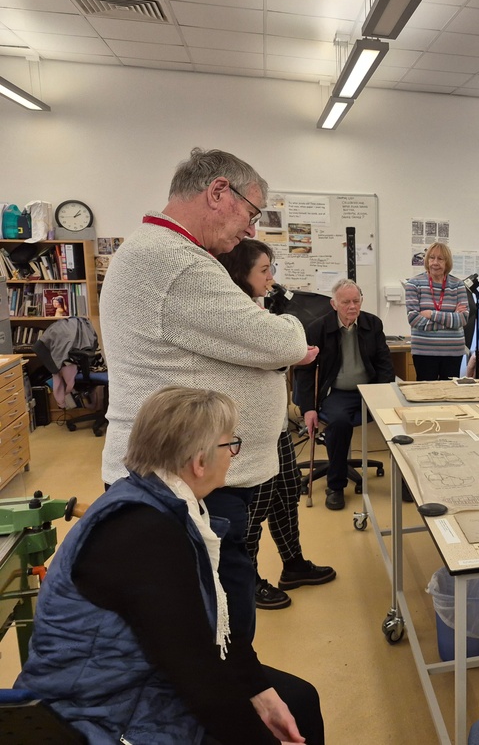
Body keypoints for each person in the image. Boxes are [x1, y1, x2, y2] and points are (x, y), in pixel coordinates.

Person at [16, 387, 323, 745]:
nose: (234, 455)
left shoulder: (161, 501)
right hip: (98, 716)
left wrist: (261, 693)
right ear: (199, 462)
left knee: (296, 698)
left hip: (135, 680)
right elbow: (194, 670)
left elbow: (210, 634)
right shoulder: (146, 533)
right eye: (230, 444)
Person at [100, 147, 317, 643]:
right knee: (214, 638)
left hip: (194, 483)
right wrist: (285, 326)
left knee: (212, 625)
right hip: (185, 488)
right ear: (219, 191)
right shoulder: (175, 262)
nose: (250, 230)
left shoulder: (172, 255)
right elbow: (282, 340)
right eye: (252, 213)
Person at [217, 238, 335, 610]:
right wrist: (289, 353)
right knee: (255, 510)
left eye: (271, 270)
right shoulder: (234, 311)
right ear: (241, 273)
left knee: (287, 495)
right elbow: (271, 351)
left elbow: (276, 354)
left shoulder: (255, 306)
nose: (271, 279)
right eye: (264, 271)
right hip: (249, 432)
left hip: (276, 427)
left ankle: (293, 564)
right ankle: (249, 579)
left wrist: (289, 356)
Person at [294, 278, 393, 511]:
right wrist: (308, 408)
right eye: (346, 302)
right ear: (334, 304)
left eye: (356, 301)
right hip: (336, 393)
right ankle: (335, 486)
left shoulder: (372, 324)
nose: (352, 306)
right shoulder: (318, 328)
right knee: (339, 423)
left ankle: (405, 484)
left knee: (397, 418)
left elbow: (384, 364)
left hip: (368, 390)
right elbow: (305, 373)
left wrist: (384, 396)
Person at [405, 242, 469, 380]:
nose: (435, 262)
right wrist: (450, 321)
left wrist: (431, 314)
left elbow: (463, 319)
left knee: (451, 396)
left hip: (453, 351)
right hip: (424, 351)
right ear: (427, 260)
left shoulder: (458, 285)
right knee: (425, 395)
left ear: (447, 262)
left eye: (440, 259)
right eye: (432, 258)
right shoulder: (413, 284)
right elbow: (413, 319)